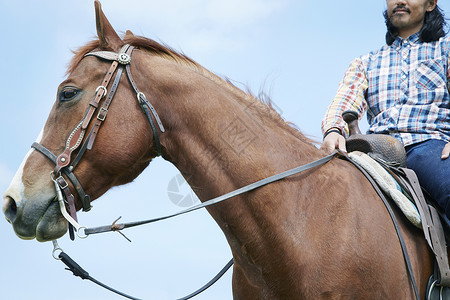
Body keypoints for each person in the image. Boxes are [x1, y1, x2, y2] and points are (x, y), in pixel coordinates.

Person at [320, 0, 450, 221]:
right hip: (373, 149)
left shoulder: (445, 49)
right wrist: (333, 130)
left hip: (429, 145)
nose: (399, 1)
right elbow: (345, 100)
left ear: (430, 4)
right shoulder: (365, 63)